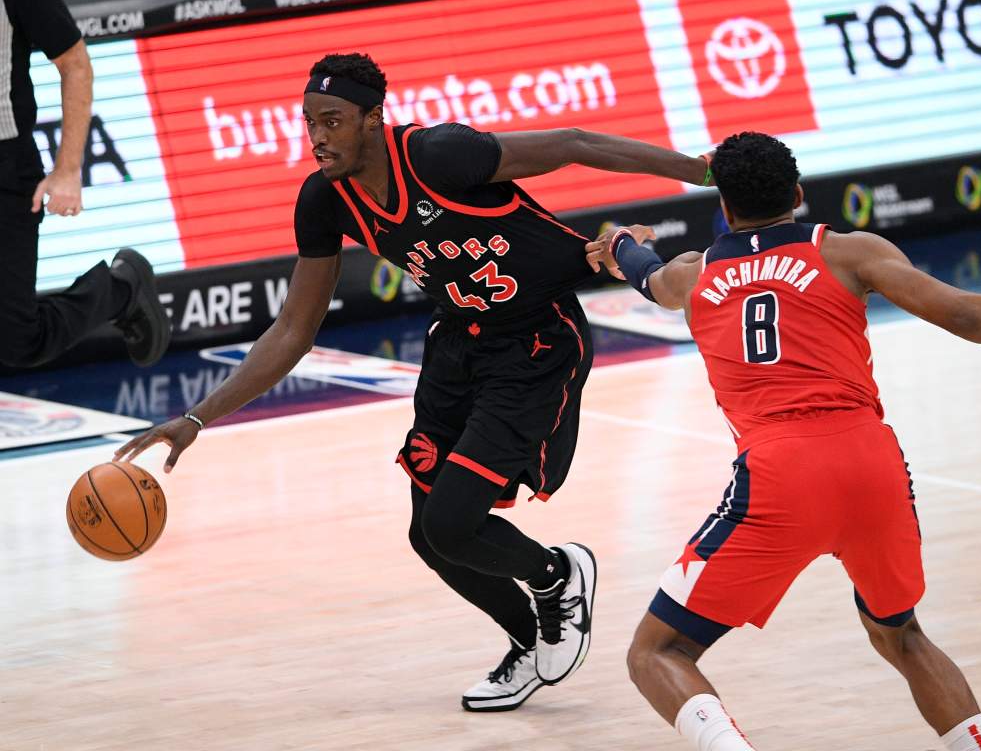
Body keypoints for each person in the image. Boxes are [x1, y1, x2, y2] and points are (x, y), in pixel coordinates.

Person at [114, 52, 707, 712]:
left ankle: (556, 575)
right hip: (458, 345)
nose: (318, 137)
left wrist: (699, 170)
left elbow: (574, 144)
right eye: (309, 122)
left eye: (333, 121)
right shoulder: (323, 199)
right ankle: (528, 642)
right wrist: (197, 417)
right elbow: (292, 331)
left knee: (456, 522)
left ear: (374, 118)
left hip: (536, 342)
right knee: (430, 533)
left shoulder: (440, 156)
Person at [586, 131, 981, 751]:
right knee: (902, 635)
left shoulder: (694, 274)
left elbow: (647, 278)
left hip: (779, 473)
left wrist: (623, 243)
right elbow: (964, 314)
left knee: (658, 652)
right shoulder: (849, 252)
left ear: (723, 207)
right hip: (871, 460)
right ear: (799, 194)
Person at [0, 0, 170, 369]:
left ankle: (121, 289)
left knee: (17, 342)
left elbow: (75, 64)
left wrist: (67, 169)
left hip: (5, 166)